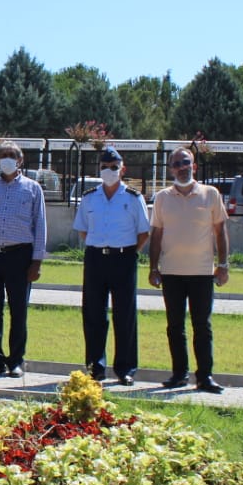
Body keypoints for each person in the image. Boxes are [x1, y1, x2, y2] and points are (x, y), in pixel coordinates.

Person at [147, 146, 231, 393]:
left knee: (202, 326)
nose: (181, 168)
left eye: (185, 163)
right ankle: (179, 374)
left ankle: (205, 376)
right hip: (171, 272)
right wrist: (153, 268)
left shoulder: (210, 194)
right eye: (176, 164)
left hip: (202, 272)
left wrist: (223, 265)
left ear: (193, 166)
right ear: (171, 169)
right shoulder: (162, 198)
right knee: (174, 326)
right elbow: (156, 235)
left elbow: (220, 232)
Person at [74, 146, 151, 385]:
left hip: (123, 258)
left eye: (114, 167)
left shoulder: (133, 197)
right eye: (105, 167)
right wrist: (101, 246)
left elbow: (143, 232)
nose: (109, 170)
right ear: (99, 169)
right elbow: (83, 230)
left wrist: (128, 253)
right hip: (96, 258)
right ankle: (95, 367)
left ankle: (125, 368)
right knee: (93, 313)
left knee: (124, 315)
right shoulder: (89, 197)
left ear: (123, 169)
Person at [0, 142, 45, 378]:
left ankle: (16, 361)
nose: (7, 159)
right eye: (2, 155)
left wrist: (37, 261)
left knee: (18, 311)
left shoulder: (33, 188)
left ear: (20, 160)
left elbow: (40, 226)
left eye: (11, 155)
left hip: (20, 256)